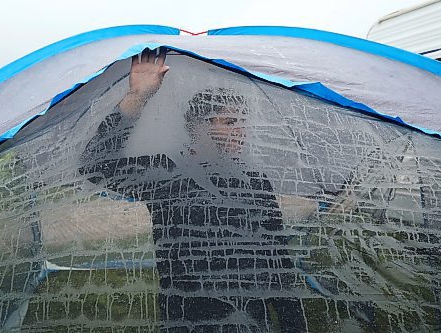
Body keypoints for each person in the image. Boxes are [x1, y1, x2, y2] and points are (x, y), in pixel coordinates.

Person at [80, 48, 305, 332]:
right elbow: (94, 166)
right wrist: (138, 98)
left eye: (239, 121)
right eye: (224, 122)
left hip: (252, 321)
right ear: (194, 128)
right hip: (189, 321)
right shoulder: (168, 172)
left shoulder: (255, 181)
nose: (237, 131)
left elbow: (279, 263)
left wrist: (292, 325)